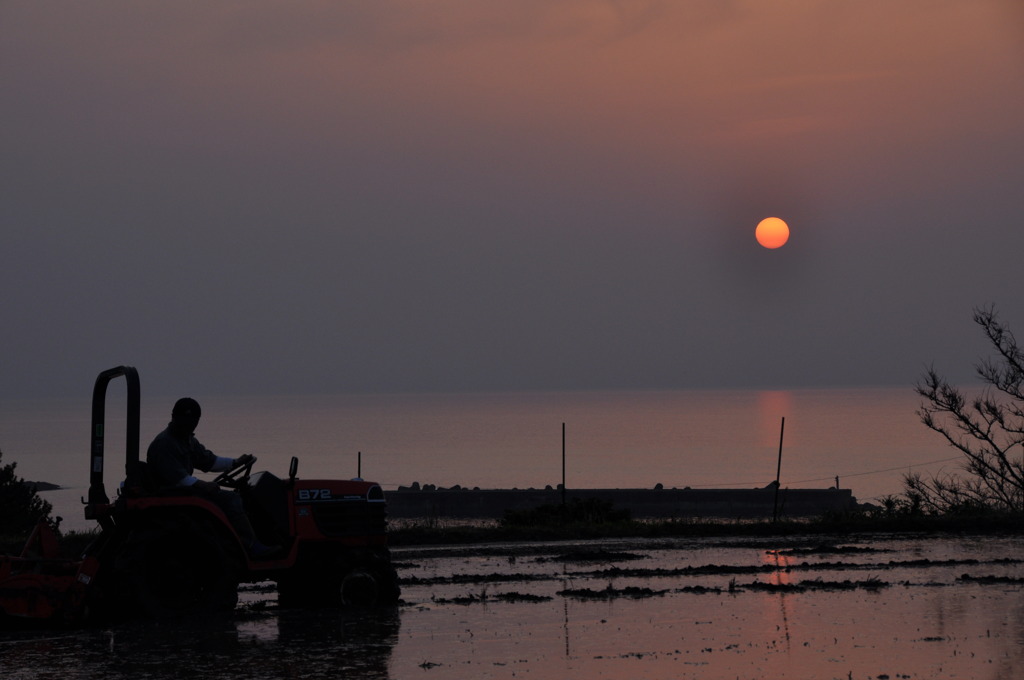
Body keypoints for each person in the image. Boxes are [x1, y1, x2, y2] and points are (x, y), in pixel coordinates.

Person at [147, 397, 279, 558]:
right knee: (232, 499)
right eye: (185, 420)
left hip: (182, 491)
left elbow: (209, 461)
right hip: (173, 494)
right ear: (174, 417)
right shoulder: (164, 443)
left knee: (234, 496)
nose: (189, 425)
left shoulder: (187, 440)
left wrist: (235, 462)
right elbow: (178, 479)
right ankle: (250, 546)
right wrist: (203, 485)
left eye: (193, 421)